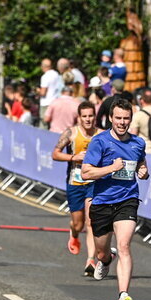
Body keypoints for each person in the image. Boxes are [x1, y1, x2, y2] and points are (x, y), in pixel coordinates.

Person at [81, 98, 148, 300]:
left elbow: (141, 163)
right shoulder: (99, 142)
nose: (122, 122)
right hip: (101, 202)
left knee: (125, 245)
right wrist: (111, 168)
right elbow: (86, 172)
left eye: (126, 118)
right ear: (110, 118)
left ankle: (123, 296)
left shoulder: (138, 143)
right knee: (101, 252)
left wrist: (143, 170)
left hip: (127, 200)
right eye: (118, 118)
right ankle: (106, 259)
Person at [52, 101, 100, 274]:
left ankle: (90, 261)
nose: (88, 120)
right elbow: (55, 154)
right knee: (78, 224)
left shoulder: (101, 135)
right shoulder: (71, 133)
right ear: (79, 118)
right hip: (75, 182)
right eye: (84, 116)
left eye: (91, 116)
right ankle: (73, 233)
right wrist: (74, 157)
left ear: (95, 116)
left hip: (93, 183)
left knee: (91, 222)